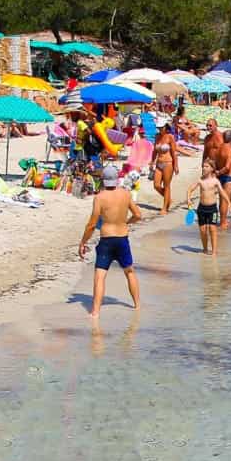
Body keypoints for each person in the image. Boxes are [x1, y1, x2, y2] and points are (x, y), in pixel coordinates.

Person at [78, 164, 143, 320]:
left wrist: (83, 242)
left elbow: (92, 224)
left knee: (100, 276)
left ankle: (95, 312)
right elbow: (138, 215)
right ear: (117, 179)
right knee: (129, 272)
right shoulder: (126, 194)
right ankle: (138, 306)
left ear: (103, 180)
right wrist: (127, 222)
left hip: (106, 239)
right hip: (122, 238)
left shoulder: (100, 198)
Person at [193, 160, 222, 255]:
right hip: (201, 209)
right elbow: (190, 190)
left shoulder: (215, 181)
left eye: (206, 166)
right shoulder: (200, 180)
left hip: (212, 209)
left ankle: (214, 252)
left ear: (212, 169)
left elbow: (222, 192)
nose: (204, 168)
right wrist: (188, 199)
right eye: (203, 166)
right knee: (202, 230)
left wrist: (229, 202)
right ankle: (205, 249)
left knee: (212, 229)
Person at [149, 126, 177, 211]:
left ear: (166, 127)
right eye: (159, 127)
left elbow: (174, 152)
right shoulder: (157, 136)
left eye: (162, 127)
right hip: (159, 163)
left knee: (166, 185)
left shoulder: (170, 137)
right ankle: (168, 199)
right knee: (156, 185)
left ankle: (165, 208)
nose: (160, 129)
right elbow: (154, 151)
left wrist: (176, 165)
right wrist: (152, 161)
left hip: (168, 162)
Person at [216, 129, 231, 226]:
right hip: (227, 176)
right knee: (224, 200)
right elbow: (227, 167)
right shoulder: (229, 150)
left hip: (223, 176)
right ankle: (223, 222)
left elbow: (216, 161)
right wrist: (218, 173)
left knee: (223, 199)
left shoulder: (220, 147)